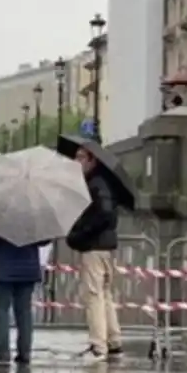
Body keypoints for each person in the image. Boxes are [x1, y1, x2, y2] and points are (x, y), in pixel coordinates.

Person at [66, 146, 123, 362]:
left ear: (92, 161)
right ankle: (113, 339)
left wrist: (80, 234)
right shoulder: (102, 183)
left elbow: (103, 215)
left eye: (80, 157)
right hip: (106, 247)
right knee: (105, 294)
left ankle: (98, 345)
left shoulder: (96, 185)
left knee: (93, 296)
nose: (76, 160)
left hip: (95, 247)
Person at [0, 231, 46, 366]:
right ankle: (25, 352)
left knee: (1, 310)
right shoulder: (33, 216)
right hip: (28, 267)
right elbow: (44, 240)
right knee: (24, 311)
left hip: (3, 267)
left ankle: (2, 352)